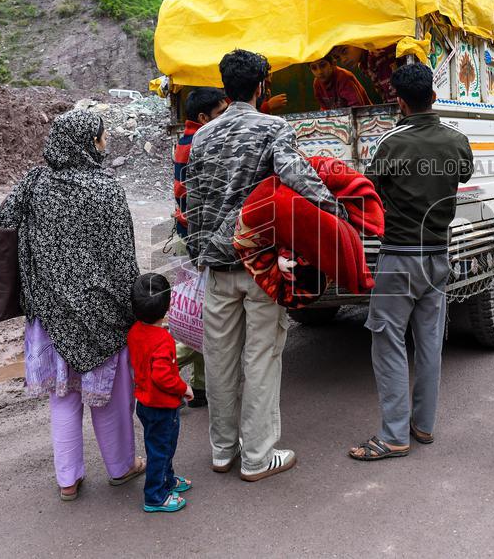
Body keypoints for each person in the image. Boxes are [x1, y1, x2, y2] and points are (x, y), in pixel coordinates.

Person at [184, 49, 347, 481]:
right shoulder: (274, 128)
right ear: (261, 86)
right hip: (261, 266)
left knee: (219, 359)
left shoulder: (202, 136)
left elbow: (192, 200)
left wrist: (200, 254)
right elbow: (299, 178)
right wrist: (337, 212)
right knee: (261, 357)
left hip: (217, 266)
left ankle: (222, 451)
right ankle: (257, 456)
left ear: (225, 87)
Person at [0, 109, 144, 501]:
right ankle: (121, 467)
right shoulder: (107, 190)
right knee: (107, 396)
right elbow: (123, 258)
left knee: (63, 397)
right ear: (89, 142)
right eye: (102, 137)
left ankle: (68, 480)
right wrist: (133, 309)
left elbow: (0, 221)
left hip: (50, 313)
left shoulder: (35, 183)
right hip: (101, 313)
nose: (105, 143)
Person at [349, 63, 473, 461]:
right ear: (433, 97)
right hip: (439, 256)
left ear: (399, 102)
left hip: (400, 258)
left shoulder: (391, 142)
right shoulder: (457, 140)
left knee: (388, 341)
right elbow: (464, 174)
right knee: (430, 343)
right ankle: (423, 425)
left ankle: (393, 436)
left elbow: (368, 190)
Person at [172, 87, 228, 409]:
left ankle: (202, 387)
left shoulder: (187, 139)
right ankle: (156, 369)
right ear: (205, 118)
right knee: (201, 316)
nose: (226, 119)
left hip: (190, 235)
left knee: (199, 311)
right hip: (198, 240)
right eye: (222, 113)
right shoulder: (200, 143)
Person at [128, 273, 194, 512]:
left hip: (145, 403)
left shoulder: (135, 331)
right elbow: (162, 376)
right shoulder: (163, 340)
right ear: (167, 306)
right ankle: (155, 496)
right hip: (162, 406)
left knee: (158, 446)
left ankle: (167, 480)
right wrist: (184, 387)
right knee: (161, 449)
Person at [332, 44, 399, 103]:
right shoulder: (363, 64)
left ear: (356, 41)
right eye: (338, 58)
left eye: (344, 51)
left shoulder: (378, 54)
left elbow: (395, 98)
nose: (343, 60)